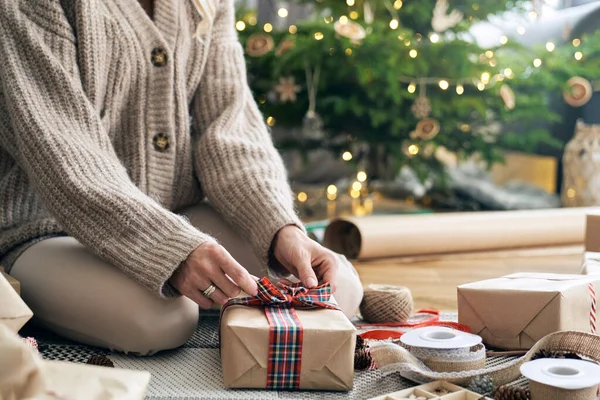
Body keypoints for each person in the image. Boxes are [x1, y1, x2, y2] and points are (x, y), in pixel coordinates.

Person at [0, 0, 363, 355]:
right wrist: (173, 250)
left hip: (175, 213)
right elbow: (66, 154)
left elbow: (230, 129)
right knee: (162, 319)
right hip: (42, 228)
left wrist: (280, 228)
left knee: (337, 286)